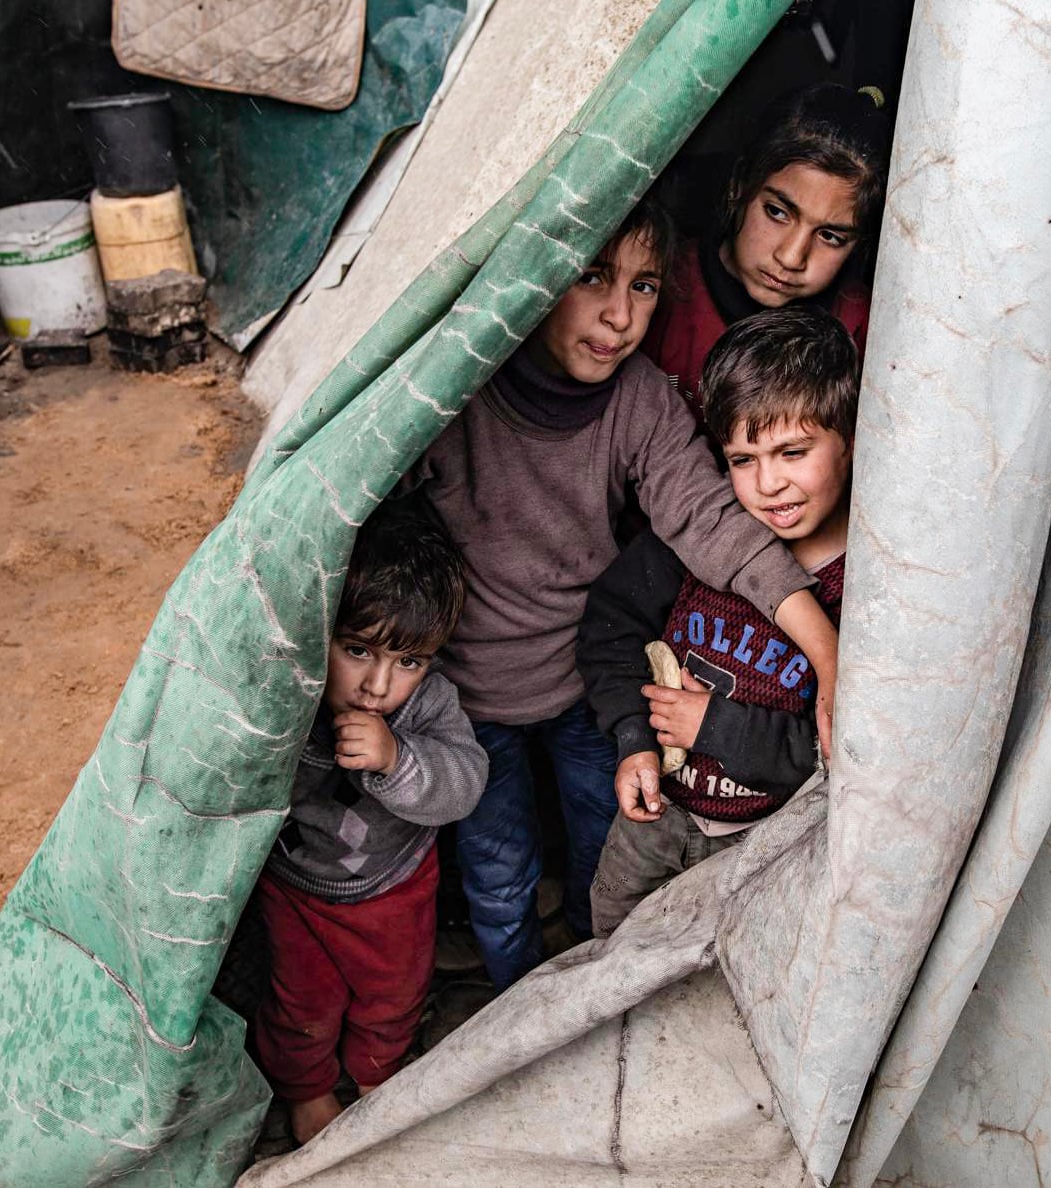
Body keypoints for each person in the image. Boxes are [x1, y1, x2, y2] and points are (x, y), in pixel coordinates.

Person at [401, 201, 840, 989]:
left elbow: (709, 522)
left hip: (589, 692)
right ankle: (514, 1009)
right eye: (592, 278)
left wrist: (827, 652)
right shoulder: (448, 397)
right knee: (499, 877)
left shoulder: (640, 402)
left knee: (605, 852)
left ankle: (583, 997)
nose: (620, 314)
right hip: (466, 699)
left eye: (643, 287)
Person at [579, 305, 858, 936]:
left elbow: (832, 756)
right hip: (651, 820)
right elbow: (609, 630)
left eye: (793, 451)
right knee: (611, 946)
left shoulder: (867, 589)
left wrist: (717, 727)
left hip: (759, 844)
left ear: (853, 439)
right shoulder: (700, 541)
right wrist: (633, 743)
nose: (769, 485)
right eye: (742, 459)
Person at [252, 508, 487, 1146]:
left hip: (395, 888)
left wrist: (396, 758)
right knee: (302, 999)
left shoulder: (429, 704)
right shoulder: (286, 695)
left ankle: (378, 1079)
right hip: (295, 888)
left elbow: (466, 781)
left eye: (408, 662)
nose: (378, 686)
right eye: (357, 651)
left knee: (394, 994)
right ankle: (307, 1089)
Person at [642, 82, 890, 421]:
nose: (791, 258)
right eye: (777, 212)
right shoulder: (661, 284)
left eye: (830, 236)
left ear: (859, 244)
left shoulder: (864, 329)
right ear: (739, 185)